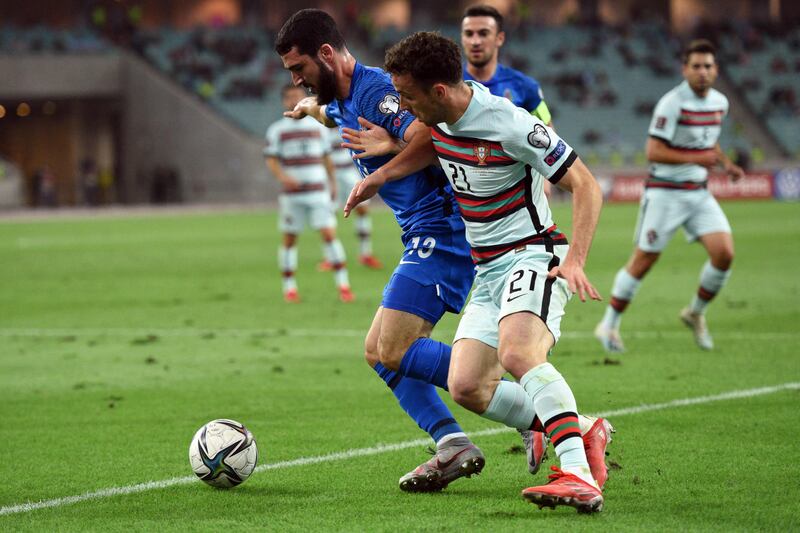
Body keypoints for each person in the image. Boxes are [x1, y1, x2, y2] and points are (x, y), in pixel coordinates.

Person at [345, 31, 609, 513]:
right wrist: (381, 174)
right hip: (487, 269)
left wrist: (575, 260)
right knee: (467, 385)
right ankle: (582, 427)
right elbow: (431, 141)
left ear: (439, 92)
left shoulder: (509, 123)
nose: (401, 105)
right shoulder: (441, 117)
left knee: (518, 354)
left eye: (407, 96)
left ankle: (578, 475)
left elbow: (586, 184)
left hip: (534, 253)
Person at [275, 9, 483, 492]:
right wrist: (311, 110)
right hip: (424, 233)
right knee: (378, 352)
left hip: (444, 229)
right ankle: (452, 442)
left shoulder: (375, 92)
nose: (297, 80)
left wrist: (381, 171)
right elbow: (336, 115)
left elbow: (429, 135)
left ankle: (534, 407)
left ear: (326, 54)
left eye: (299, 68)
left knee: (392, 348)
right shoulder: (343, 97)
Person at [594, 39, 744, 353]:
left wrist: (727, 165)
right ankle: (608, 324)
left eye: (708, 66)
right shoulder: (672, 103)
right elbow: (653, 151)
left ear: (716, 70)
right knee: (644, 259)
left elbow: (709, 142)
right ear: (684, 69)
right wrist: (694, 159)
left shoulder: (720, 103)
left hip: (698, 193)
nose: (702, 72)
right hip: (665, 193)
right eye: (696, 66)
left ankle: (695, 313)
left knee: (724, 254)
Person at [264, 83, 354, 304]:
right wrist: (284, 178)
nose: (294, 100)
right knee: (289, 239)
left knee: (329, 235)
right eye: (290, 97)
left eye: (298, 96)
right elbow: (272, 159)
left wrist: (332, 183)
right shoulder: (277, 130)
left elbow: (326, 158)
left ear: (305, 98)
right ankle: (289, 288)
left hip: (318, 192)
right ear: (285, 101)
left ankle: (343, 286)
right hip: (292, 195)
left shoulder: (319, 128)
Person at [461, 4, 554, 198]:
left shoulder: (526, 86)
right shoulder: (448, 85)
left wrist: (546, 180)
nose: (475, 41)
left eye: (483, 33)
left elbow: (547, 130)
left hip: (513, 195)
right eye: (469, 34)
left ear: (499, 38)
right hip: (459, 192)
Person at [320, 125, 383, 270]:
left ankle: (365, 253)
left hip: (350, 172)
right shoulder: (321, 127)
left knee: (362, 210)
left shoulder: (347, 121)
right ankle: (330, 257)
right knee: (329, 214)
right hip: (332, 176)